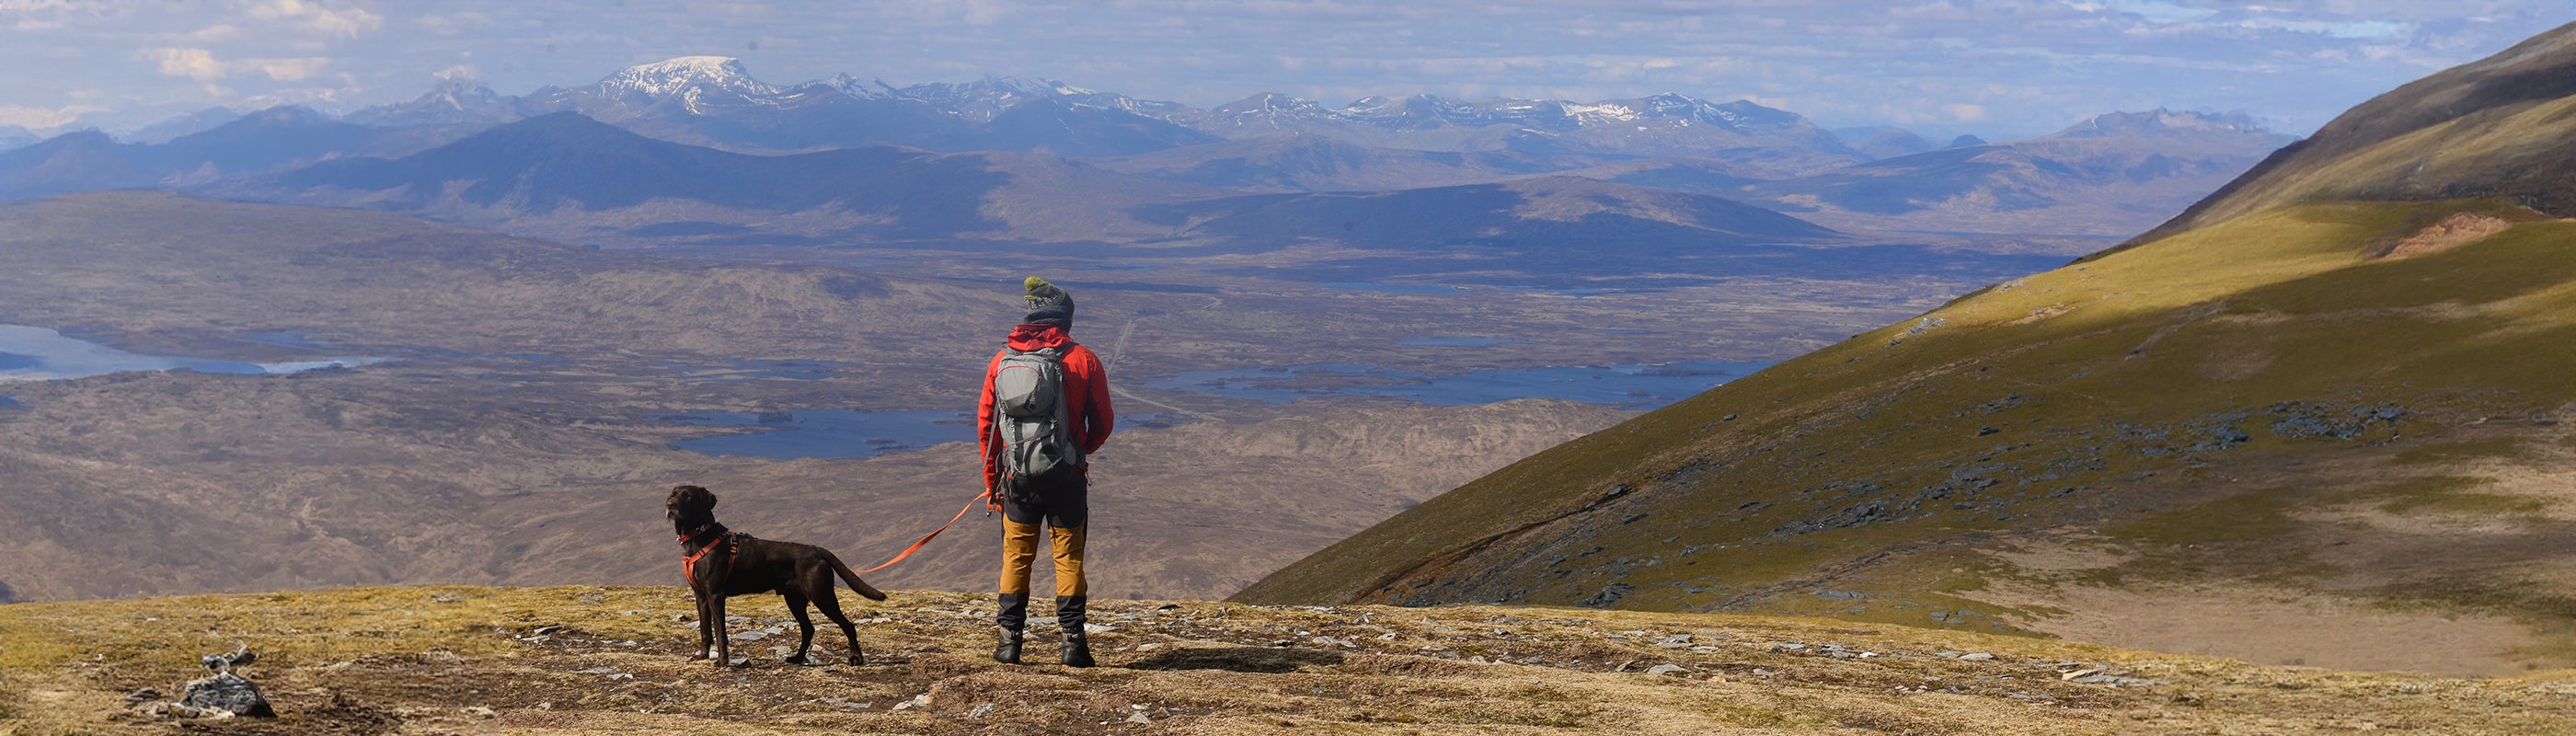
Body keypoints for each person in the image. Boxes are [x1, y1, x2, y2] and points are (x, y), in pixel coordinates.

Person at [978, 277, 1113, 666]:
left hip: (1017, 480)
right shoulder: (1083, 359)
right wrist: (1076, 453)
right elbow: (1102, 421)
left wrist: (993, 483)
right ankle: (1073, 646)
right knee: (1068, 559)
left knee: (1016, 558)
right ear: (1064, 319)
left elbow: (987, 429)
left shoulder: (1002, 361)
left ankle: (1008, 644)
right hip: (1066, 480)